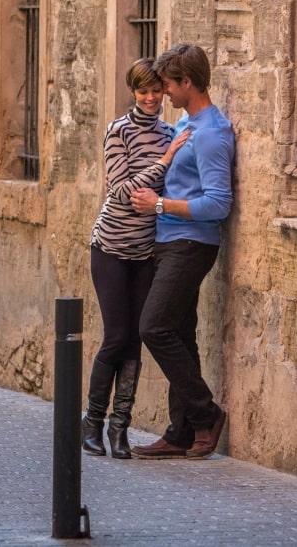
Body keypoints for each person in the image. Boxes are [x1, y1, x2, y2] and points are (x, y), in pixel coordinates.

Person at [128, 43, 235, 460]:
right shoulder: (187, 125)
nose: (165, 93)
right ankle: (181, 432)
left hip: (191, 244)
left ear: (187, 82)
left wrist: (159, 205)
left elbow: (218, 204)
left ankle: (206, 413)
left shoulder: (211, 134)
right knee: (180, 333)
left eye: (169, 85)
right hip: (168, 240)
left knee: (153, 327)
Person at [82, 58, 190, 459]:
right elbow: (122, 193)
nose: (150, 98)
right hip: (110, 246)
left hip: (146, 249)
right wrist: (162, 163)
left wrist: (156, 178)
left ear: (165, 91)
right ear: (132, 91)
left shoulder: (170, 133)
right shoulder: (118, 132)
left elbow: (156, 187)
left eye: (156, 90)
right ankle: (91, 422)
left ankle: (119, 429)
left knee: (135, 340)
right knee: (115, 336)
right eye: (142, 91)